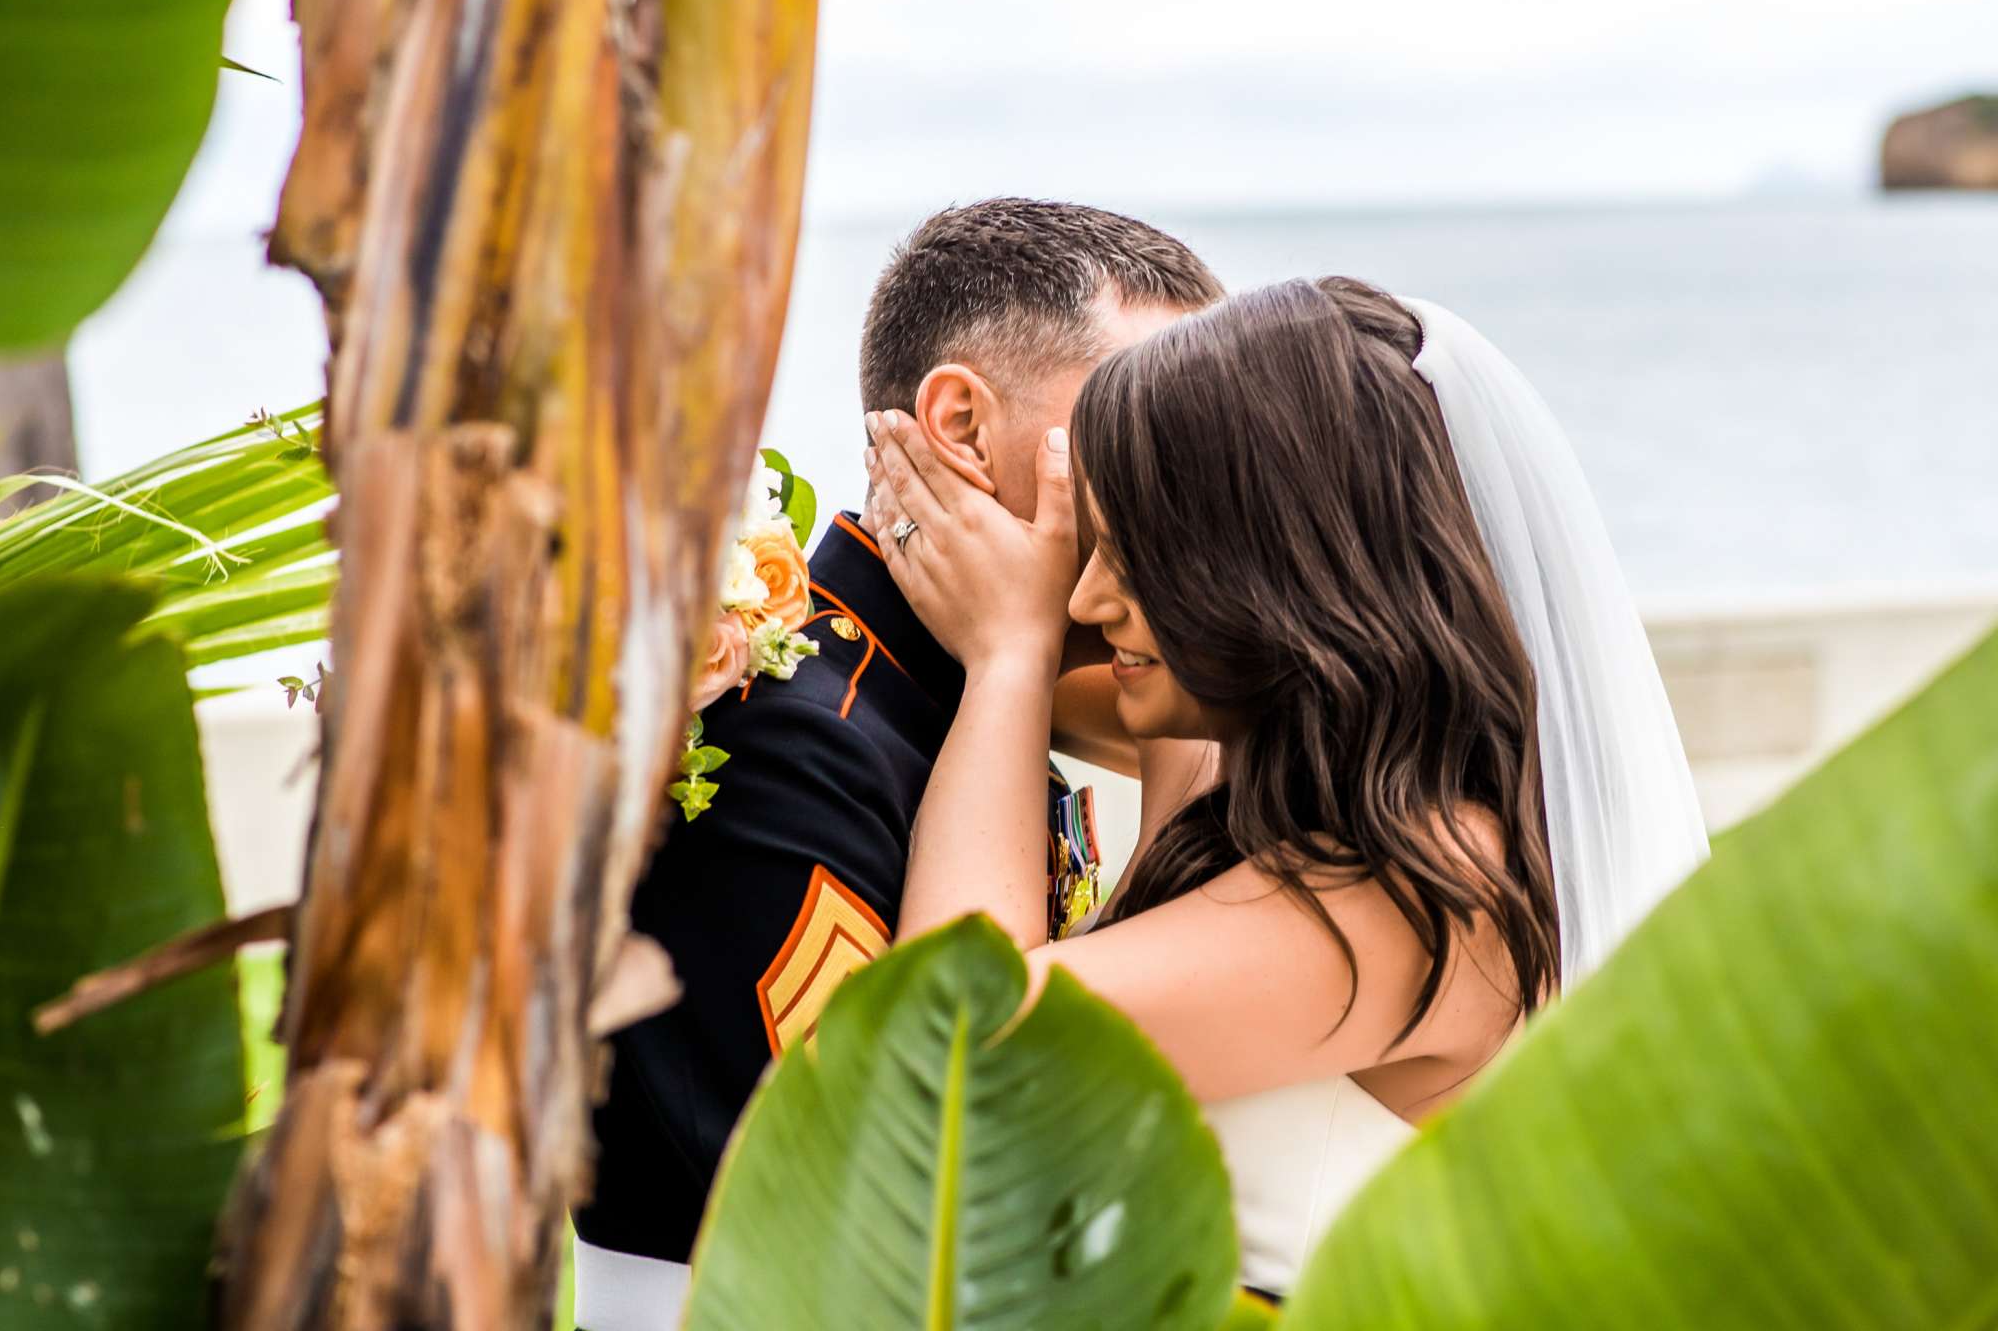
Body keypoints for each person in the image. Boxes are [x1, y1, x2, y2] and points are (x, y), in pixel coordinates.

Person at [862, 276, 1711, 1299]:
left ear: (1261, 569)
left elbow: (940, 1073)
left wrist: (1009, 655)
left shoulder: (1423, 890)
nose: (1085, 595)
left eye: (1136, 552)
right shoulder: (1314, 780)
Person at [572, 200, 1224, 1328]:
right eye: (1145, 420)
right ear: (961, 425)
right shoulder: (782, 735)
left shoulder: (953, 691)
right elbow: (899, 1201)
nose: (1197, 482)